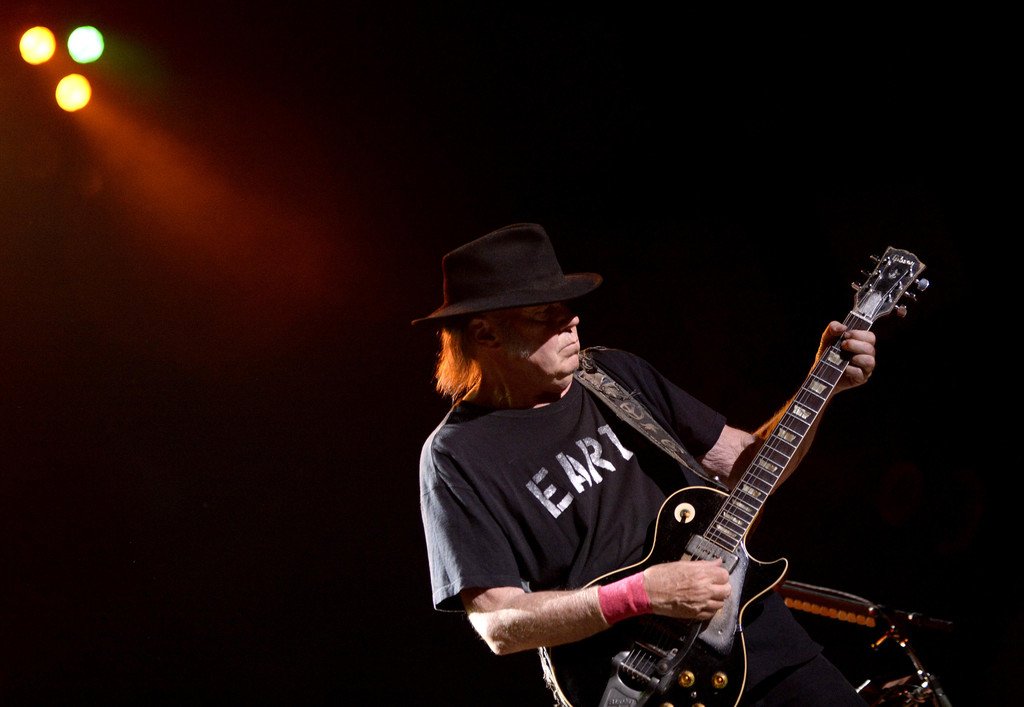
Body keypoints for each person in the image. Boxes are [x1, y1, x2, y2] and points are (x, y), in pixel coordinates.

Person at [414, 222, 875, 706]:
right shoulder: (456, 455)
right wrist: (643, 594)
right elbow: (499, 622)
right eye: (543, 313)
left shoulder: (614, 374)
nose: (571, 320)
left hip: (762, 643)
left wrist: (823, 386)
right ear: (485, 333)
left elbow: (747, 465)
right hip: (640, 682)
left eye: (567, 306)